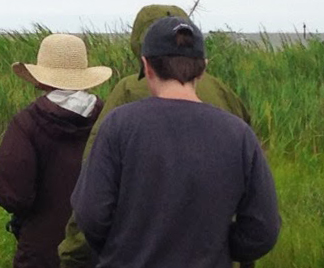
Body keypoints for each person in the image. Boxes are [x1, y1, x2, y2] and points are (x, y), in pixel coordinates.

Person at [71, 17, 280, 268]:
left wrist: (122, 248)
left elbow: (90, 214)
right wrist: (219, 246)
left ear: (146, 66)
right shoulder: (239, 135)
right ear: (202, 68)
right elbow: (263, 230)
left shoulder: (118, 125)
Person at [0, 33, 112, 268]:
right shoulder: (109, 118)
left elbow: (16, 198)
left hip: (41, 253)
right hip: (98, 251)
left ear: (40, 79)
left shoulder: (26, 123)